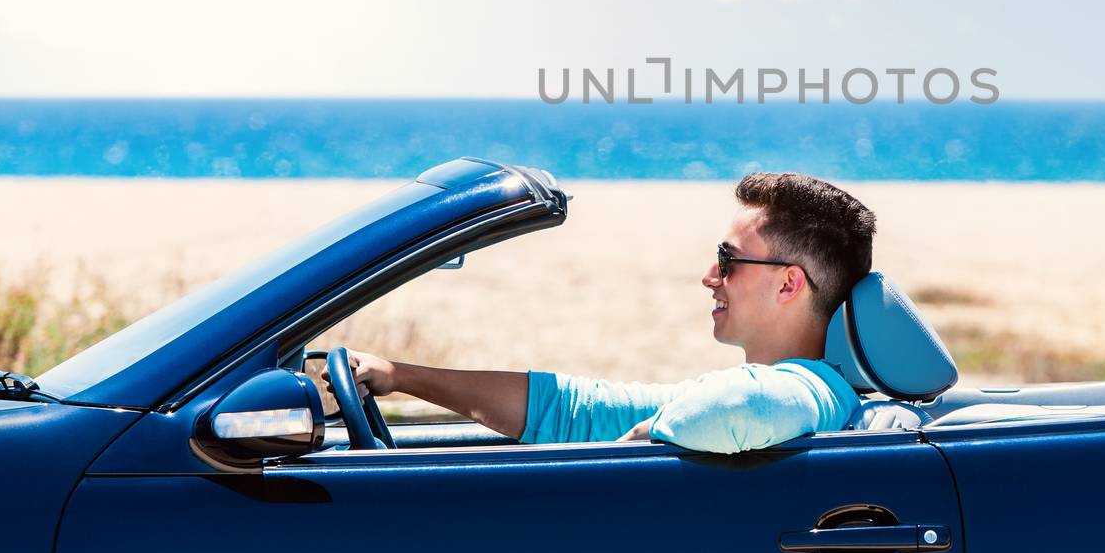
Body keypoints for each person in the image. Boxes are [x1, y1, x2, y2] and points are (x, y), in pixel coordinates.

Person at [329, 172, 873, 453]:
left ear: (788, 284)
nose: (710, 276)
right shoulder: (802, 387)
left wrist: (631, 450)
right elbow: (573, 408)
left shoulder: (808, 391)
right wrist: (398, 375)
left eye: (728, 261)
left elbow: (741, 405)